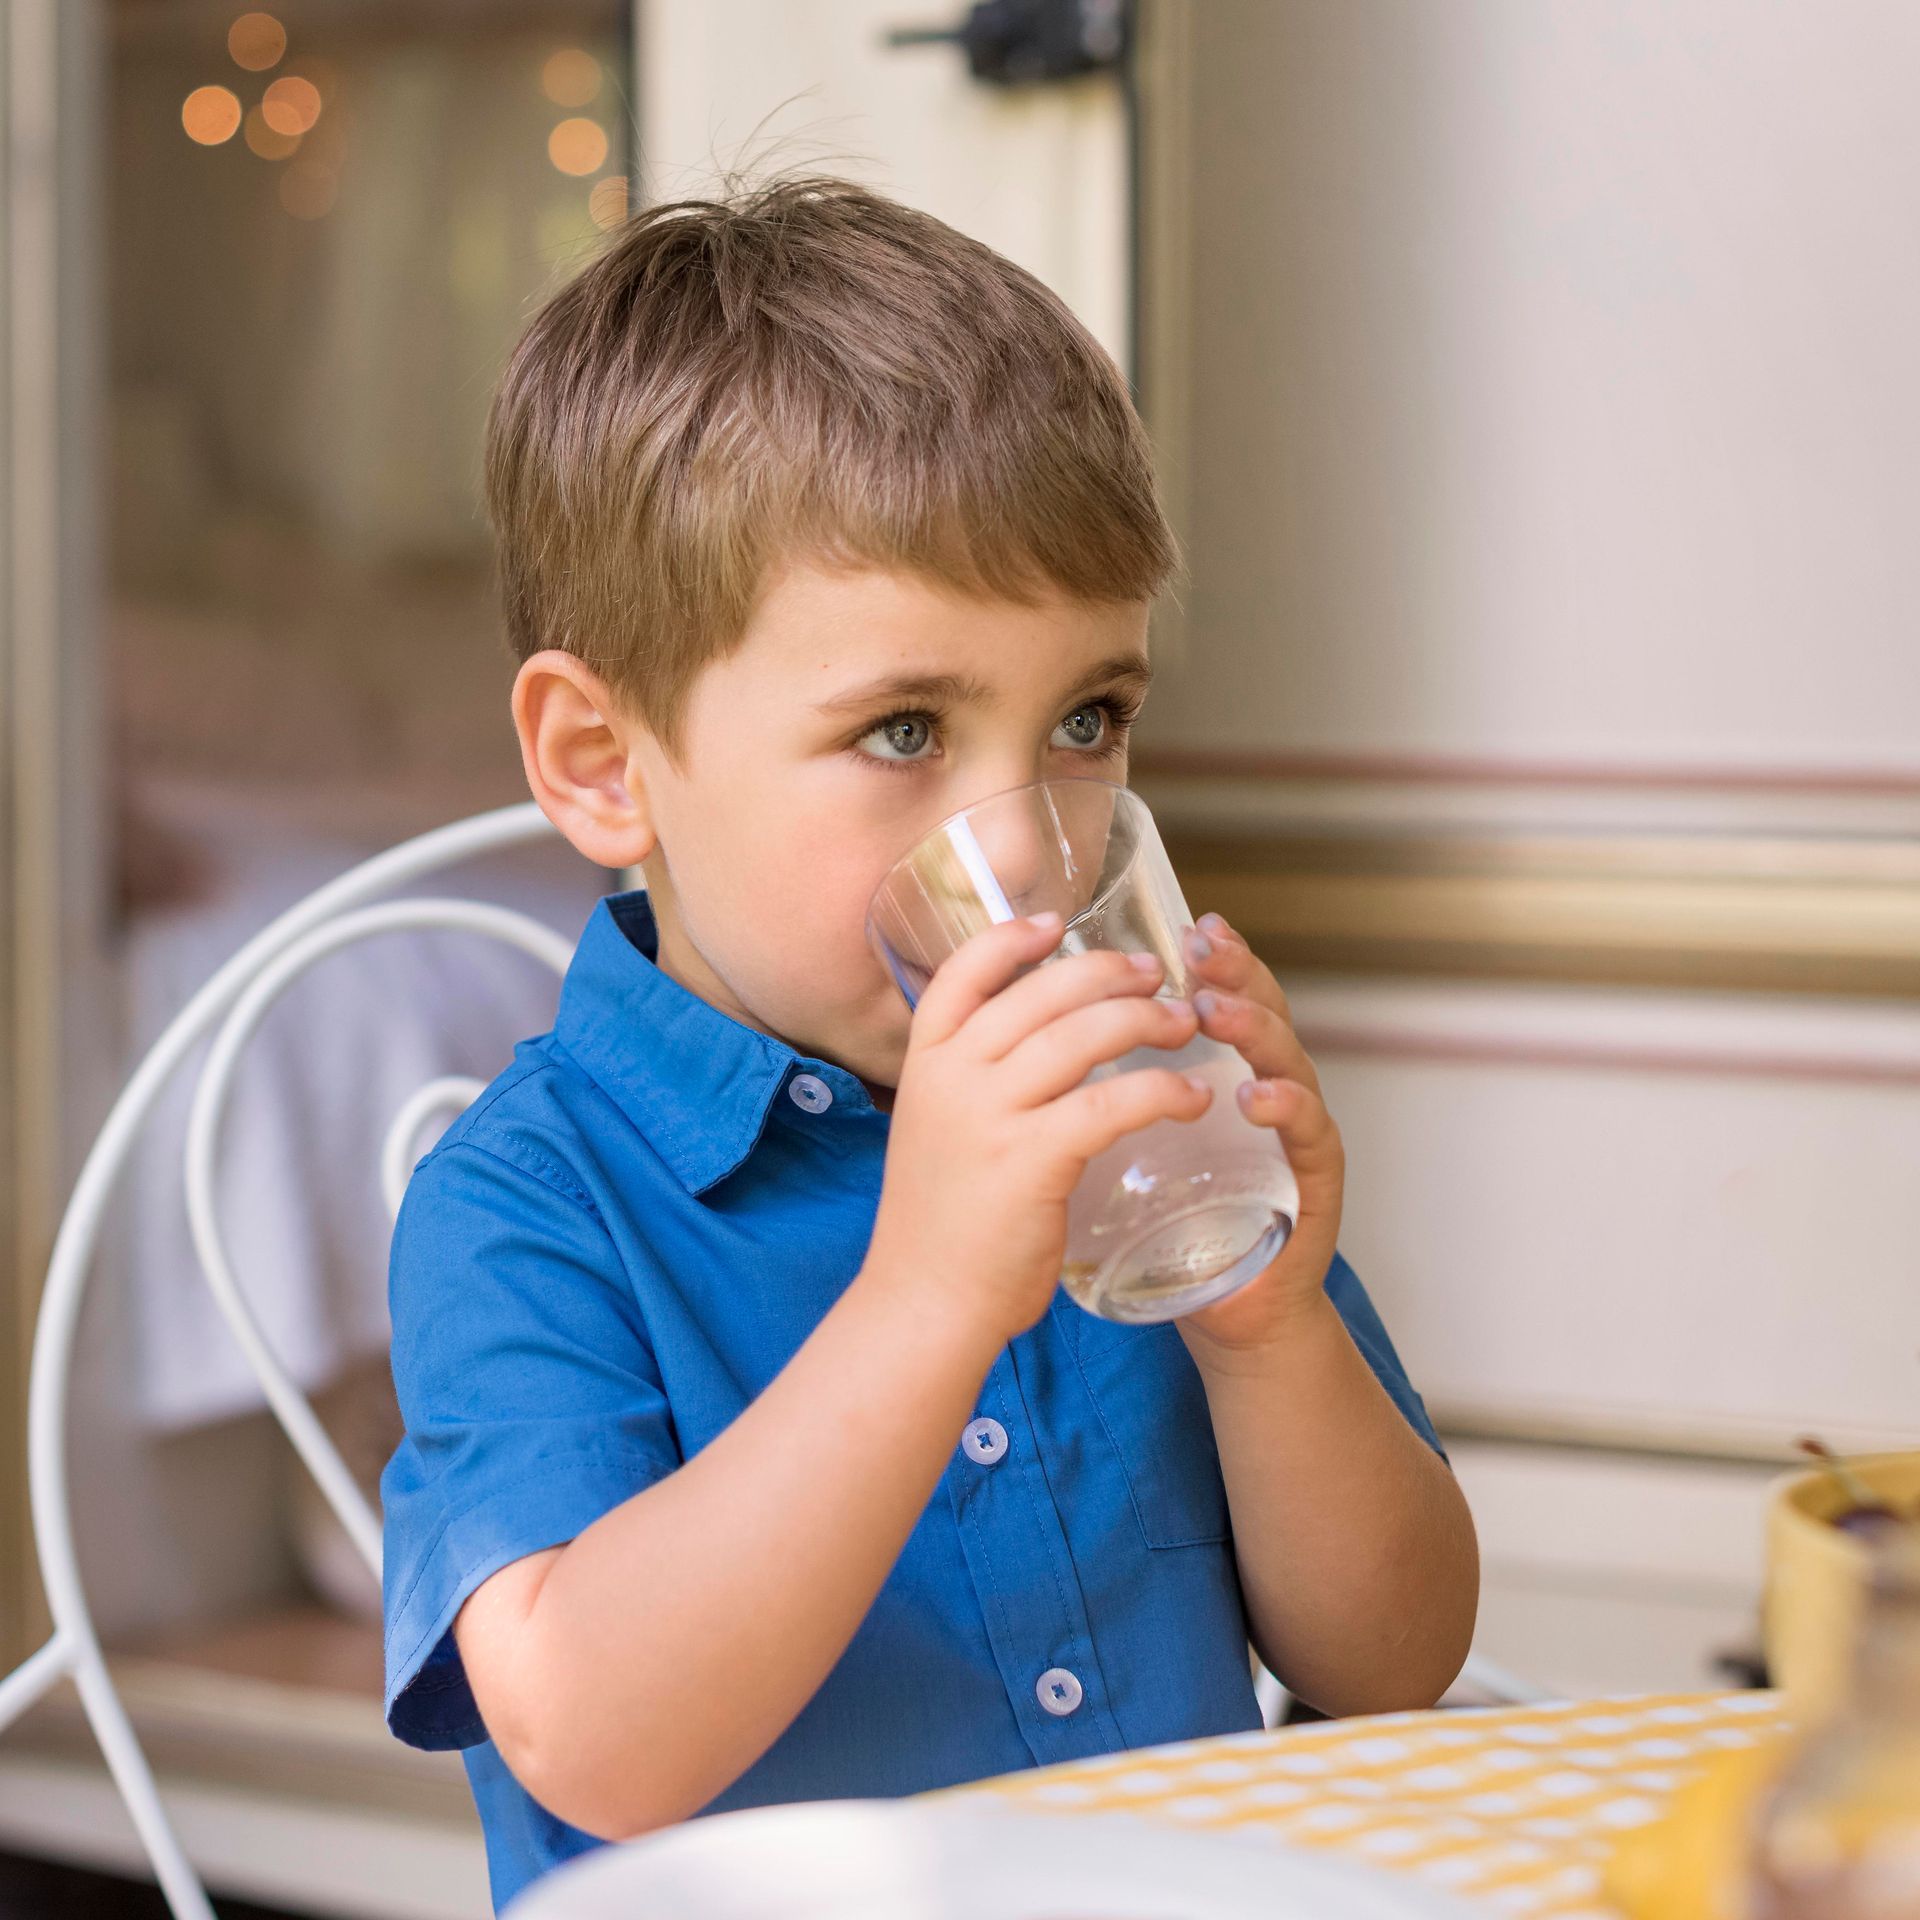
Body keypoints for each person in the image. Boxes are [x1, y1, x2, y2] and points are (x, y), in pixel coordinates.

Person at [379, 176, 1479, 1914]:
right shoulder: (527, 1208)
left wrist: (1268, 1330)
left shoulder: (1130, 1131)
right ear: (604, 762)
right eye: (904, 727)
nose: (1033, 839)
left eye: (1087, 720)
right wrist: (929, 1294)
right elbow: (595, 1736)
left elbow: (1397, 1660)